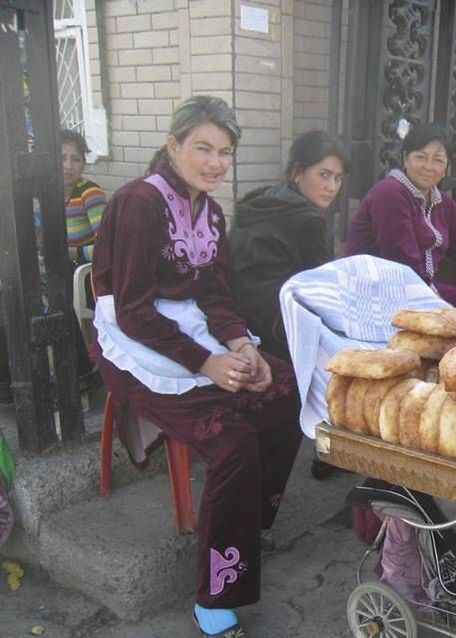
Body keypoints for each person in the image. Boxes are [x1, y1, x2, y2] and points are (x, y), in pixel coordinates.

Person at [90, 95, 301, 638]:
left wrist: (240, 344)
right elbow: (133, 311)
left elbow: (215, 291)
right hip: (136, 341)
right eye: (203, 148)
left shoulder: (210, 209)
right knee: (233, 443)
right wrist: (209, 363)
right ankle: (215, 594)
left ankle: (249, 526)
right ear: (174, 146)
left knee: (284, 393)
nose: (214, 163)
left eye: (224, 152)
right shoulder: (139, 203)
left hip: (192, 328)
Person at [346, 123, 456, 307]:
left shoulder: (442, 202)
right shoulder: (390, 193)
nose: (428, 166)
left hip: (418, 290)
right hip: (379, 292)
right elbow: (402, 264)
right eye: (421, 157)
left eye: (438, 160)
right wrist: (441, 306)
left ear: (447, 166)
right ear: (405, 158)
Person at [230, 130, 347, 361]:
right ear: (297, 172)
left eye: (338, 178)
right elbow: (321, 294)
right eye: (323, 175)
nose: (331, 186)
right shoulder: (306, 220)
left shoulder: (263, 200)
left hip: (239, 318)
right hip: (276, 330)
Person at [60, 129, 106, 265]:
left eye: (75, 159)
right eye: (62, 158)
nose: (68, 166)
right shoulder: (46, 193)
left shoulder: (90, 193)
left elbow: (108, 247)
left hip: (83, 275)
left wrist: (71, 253)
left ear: (83, 164)